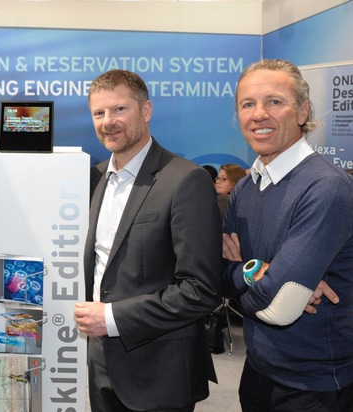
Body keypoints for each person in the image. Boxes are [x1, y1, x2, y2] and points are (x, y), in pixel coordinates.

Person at [74, 69, 222, 412]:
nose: (108, 122)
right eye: (99, 113)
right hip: (101, 363)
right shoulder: (94, 178)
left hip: (160, 372)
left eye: (119, 109)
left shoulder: (186, 180)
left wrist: (111, 318)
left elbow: (200, 289)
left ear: (146, 110)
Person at [222, 59, 353, 411]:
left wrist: (241, 278)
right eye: (247, 104)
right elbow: (217, 278)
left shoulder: (326, 188)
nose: (258, 114)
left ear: (302, 111)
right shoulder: (244, 188)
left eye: (275, 101)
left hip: (314, 385)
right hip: (257, 370)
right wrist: (258, 272)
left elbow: (279, 307)